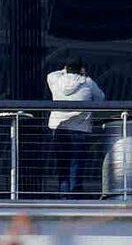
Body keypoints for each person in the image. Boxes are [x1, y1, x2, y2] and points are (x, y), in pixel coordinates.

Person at [45, 58, 109, 197]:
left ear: (66, 68)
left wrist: (65, 70)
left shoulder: (55, 80)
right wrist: (83, 75)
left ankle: (63, 196)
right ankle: (75, 195)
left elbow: (51, 74)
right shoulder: (88, 82)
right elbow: (101, 98)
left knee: (62, 165)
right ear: (82, 69)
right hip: (80, 129)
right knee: (76, 164)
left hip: (59, 128)